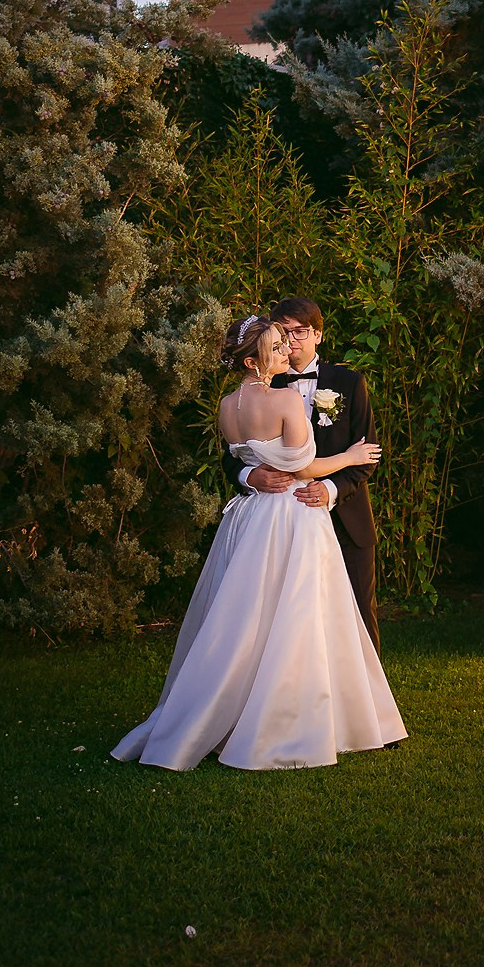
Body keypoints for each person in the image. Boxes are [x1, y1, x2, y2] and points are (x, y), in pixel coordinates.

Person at [112, 316, 406, 770]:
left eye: (290, 339)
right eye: (277, 343)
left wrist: (254, 471)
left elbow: (247, 453)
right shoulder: (286, 398)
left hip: (249, 521)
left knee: (244, 619)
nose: (287, 347)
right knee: (298, 615)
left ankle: (225, 714)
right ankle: (287, 722)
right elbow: (301, 469)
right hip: (292, 516)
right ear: (254, 359)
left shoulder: (227, 405)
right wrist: (347, 457)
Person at [236, 297, 384, 650]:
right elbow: (234, 452)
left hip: (345, 517)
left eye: (300, 332)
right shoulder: (263, 382)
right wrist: (250, 476)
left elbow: (368, 455)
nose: (292, 341)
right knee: (285, 618)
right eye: (283, 334)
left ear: (318, 334)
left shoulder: (349, 382)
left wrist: (330, 489)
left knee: (358, 613)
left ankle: (366, 700)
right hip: (281, 521)